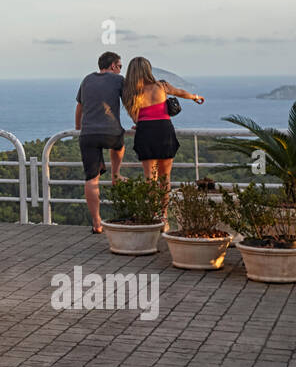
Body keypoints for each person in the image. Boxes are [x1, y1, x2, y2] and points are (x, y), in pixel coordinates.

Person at [121, 57, 204, 185]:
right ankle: (164, 206)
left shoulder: (130, 93)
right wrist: (195, 97)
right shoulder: (162, 85)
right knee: (165, 179)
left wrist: (142, 124)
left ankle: (152, 205)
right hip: (164, 131)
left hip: (145, 132)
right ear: (148, 70)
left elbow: (136, 118)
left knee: (150, 179)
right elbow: (180, 92)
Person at [75, 51, 126, 233]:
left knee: (91, 179)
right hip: (111, 132)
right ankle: (116, 174)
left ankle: (97, 223)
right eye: (120, 66)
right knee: (119, 145)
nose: (120, 70)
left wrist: (78, 127)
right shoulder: (119, 80)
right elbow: (129, 103)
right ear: (113, 66)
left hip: (88, 134)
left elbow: (79, 106)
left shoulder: (87, 79)